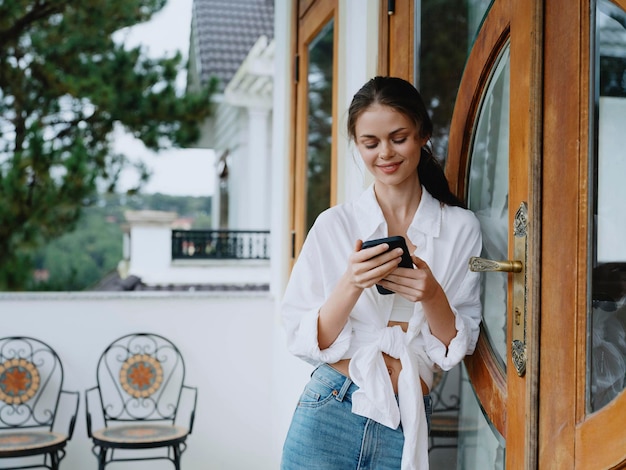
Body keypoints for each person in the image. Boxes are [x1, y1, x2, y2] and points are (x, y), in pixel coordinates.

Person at [280, 76, 482, 470]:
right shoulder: (334, 225)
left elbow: (455, 348)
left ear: (423, 134)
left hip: (406, 416)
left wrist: (432, 295)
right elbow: (303, 338)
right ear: (358, 145)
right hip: (331, 406)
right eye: (370, 143)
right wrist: (351, 284)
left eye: (398, 137)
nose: (385, 153)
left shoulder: (460, 228)